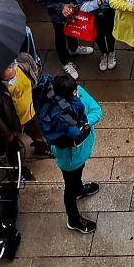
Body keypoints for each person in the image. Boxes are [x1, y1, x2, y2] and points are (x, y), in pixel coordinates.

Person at [37, 71, 103, 233]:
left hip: (79, 153)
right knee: (70, 187)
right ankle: (73, 219)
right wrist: (82, 126)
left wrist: (84, 122)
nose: (78, 92)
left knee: (77, 176)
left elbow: (97, 111)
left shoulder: (76, 92)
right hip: (69, 158)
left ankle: (80, 189)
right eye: (74, 92)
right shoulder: (59, 115)